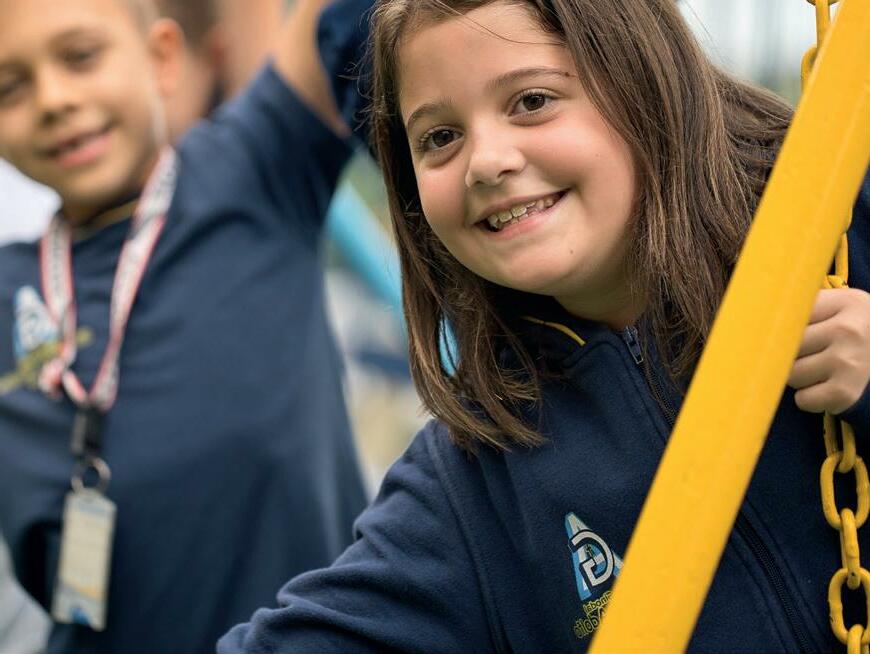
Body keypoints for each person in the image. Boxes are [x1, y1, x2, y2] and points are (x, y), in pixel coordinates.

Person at [218, 0, 870, 652]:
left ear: (641, 74)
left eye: (531, 101)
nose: (486, 162)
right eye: (439, 138)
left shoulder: (839, 223)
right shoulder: (477, 481)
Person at [0, 0, 370, 651]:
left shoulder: (256, 165)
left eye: (81, 57)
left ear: (162, 57)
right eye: (8, 88)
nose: (54, 99)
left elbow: (338, 17)